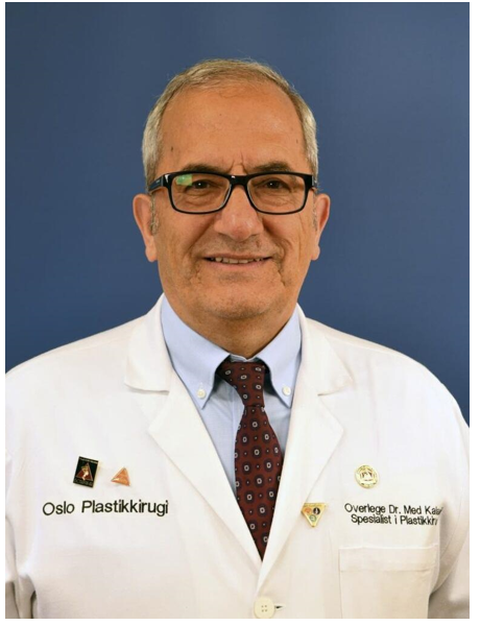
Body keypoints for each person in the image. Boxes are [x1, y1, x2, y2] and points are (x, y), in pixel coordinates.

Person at [5, 59, 469, 619]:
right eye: (200, 185)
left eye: (274, 185)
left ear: (316, 223)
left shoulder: (422, 412)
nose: (240, 224)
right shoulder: (23, 417)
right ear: (149, 224)